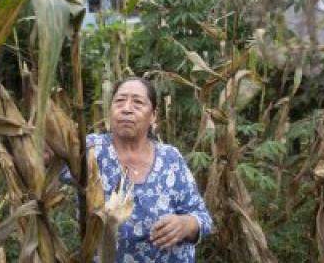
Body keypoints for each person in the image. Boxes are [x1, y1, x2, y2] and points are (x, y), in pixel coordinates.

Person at [60, 77, 212, 262]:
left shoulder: (170, 158)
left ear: (153, 115)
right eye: (119, 101)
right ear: (110, 110)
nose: (126, 109)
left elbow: (202, 217)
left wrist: (186, 224)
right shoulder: (91, 149)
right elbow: (42, 164)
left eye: (138, 102)